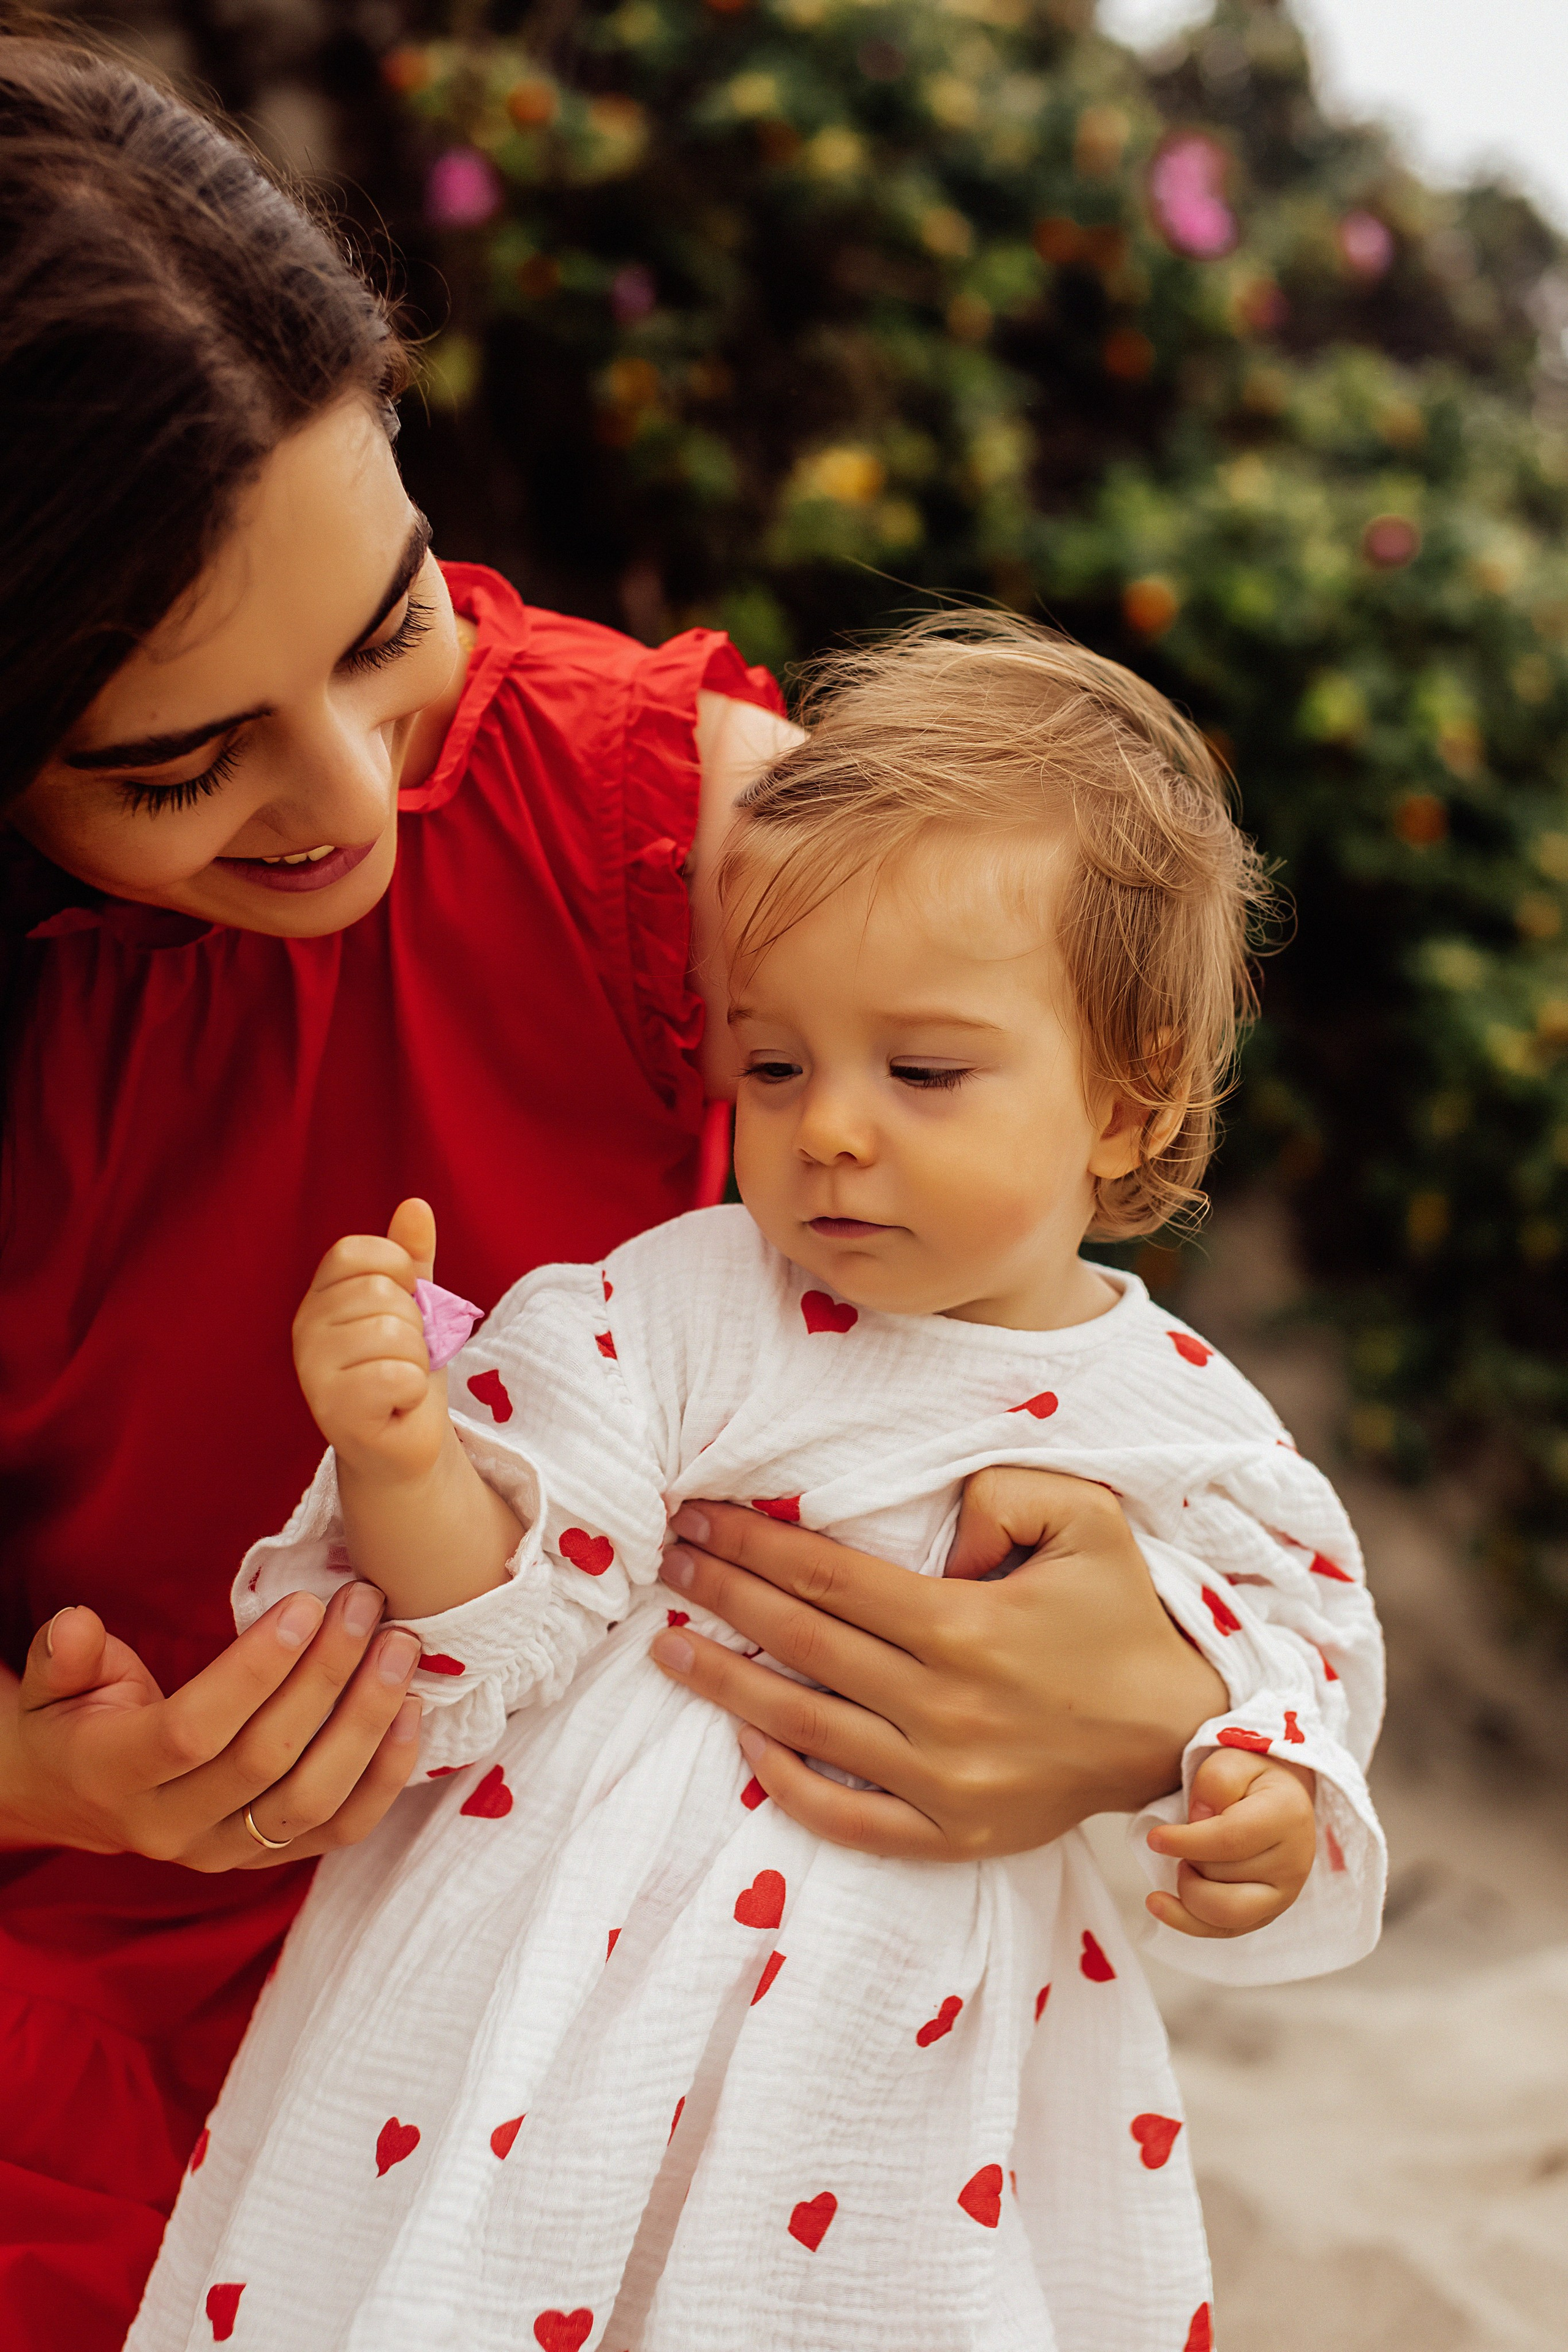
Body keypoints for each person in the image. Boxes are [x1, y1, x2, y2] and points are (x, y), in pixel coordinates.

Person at [0, 39, 1246, 2352]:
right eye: (178, 763)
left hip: (614, 1927)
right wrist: (51, 1775)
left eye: (385, 632)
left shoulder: (668, 834)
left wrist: (1128, 1691)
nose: (353, 798)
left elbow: (1038, 1334)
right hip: (77, 1962)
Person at [129, 614, 1385, 2352]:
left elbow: (1295, 1669)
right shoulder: (687, 1301)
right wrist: (403, 1448)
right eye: (775, 1063)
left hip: (904, 2058)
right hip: (553, 1984)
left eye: (923, 1070)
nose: (832, 1129)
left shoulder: (1179, 1421)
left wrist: (1255, 1788)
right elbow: (493, 1605)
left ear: (1127, 1098)